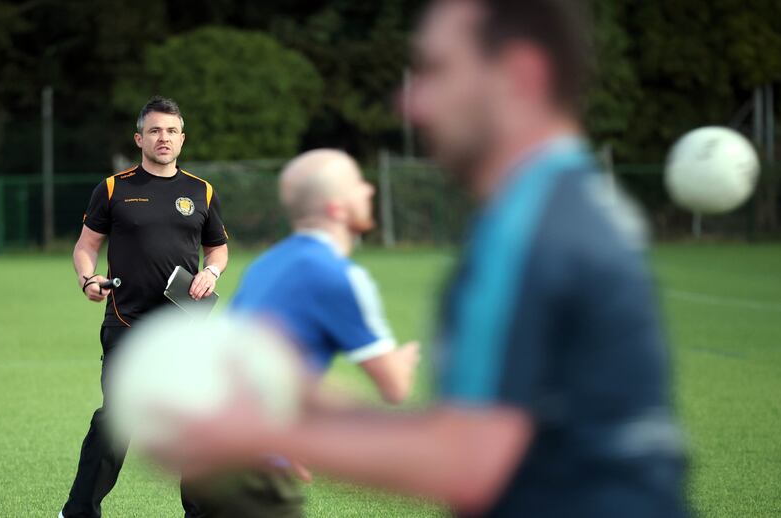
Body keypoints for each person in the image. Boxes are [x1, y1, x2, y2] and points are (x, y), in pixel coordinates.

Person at [154, 1, 688, 517]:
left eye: (436, 70)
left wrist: (264, 431)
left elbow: (468, 457)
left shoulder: (535, 228)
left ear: (520, 75)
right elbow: (498, 429)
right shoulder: (552, 205)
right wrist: (305, 403)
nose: (412, 104)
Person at [180, 149, 421, 518]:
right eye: (358, 183)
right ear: (336, 208)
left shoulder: (266, 265)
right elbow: (395, 388)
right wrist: (406, 360)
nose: (370, 190)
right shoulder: (338, 276)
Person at [61, 96, 229, 518]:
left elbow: (219, 250)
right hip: (126, 321)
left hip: (182, 326)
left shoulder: (201, 190)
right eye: (154, 130)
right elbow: (85, 247)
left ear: (182, 138)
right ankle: (78, 512)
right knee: (115, 420)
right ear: (139, 138)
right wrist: (87, 279)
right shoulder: (115, 187)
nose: (163, 138)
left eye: (171, 131)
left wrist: (212, 273)